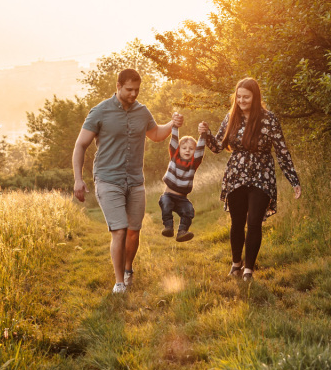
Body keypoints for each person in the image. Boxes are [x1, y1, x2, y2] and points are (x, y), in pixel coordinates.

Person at [73, 68, 181, 294]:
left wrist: (172, 124)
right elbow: (80, 145)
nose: (133, 94)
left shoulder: (142, 112)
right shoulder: (100, 112)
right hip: (107, 179)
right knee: (120, 230)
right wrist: (78, 179)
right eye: (129, 90)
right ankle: (119, 282)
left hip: (135, 180)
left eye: (137, 90)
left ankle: (128, 269)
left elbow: (156, 135)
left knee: (134, 230)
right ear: (118, 86)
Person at [199, 78, 301, 281]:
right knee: (237, 222)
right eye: (238, 97)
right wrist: (207, 134)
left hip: (262, 174)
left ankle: (248, 270)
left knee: (254, 222)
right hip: (236, 174)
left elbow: (281, 151)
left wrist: (294, 180)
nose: (241, 100)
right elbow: (218, 147)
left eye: (246, 97)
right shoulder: (231, 117)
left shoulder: (269, 119)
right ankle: (236, 263)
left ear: (255, 97)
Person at [159, 125, 207, 242]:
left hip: (182, 199)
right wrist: (175, 126)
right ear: (178, 150)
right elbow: (174, 140)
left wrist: (203, 134)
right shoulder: (174, 157)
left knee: (189, 210)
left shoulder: (194, 163)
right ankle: (168, 227)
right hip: (168, 195)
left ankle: (182, 232)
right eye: (184, 148)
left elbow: (200, 148)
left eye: (191, 149)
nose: (187, 150)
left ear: (194, 152)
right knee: (165, 203)